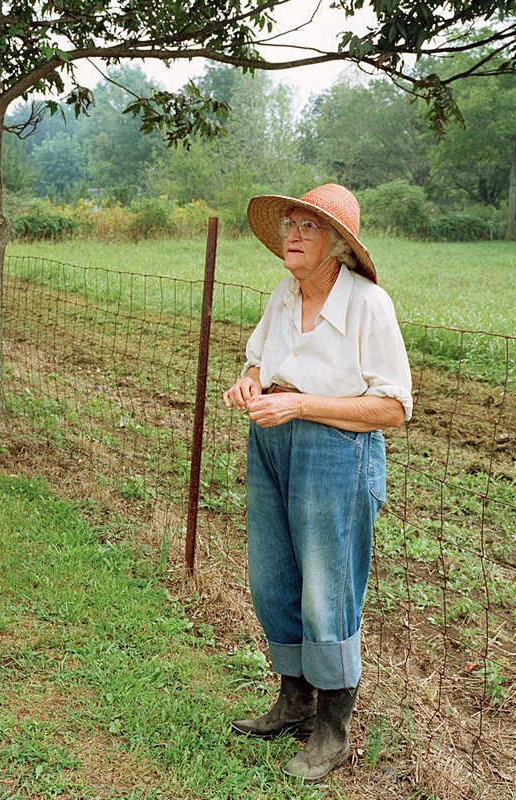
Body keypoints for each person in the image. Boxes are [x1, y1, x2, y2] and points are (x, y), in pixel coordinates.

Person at [222, 183, 412, 781]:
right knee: (272, 574)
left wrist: (300, 404)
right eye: (289, 225)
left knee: (326, 586)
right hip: (272, 440)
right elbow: (258, 358)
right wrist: (250, 383)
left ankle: (333, 726)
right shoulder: (284, 293)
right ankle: (294, 699)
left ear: (338, 244)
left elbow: (393, 407)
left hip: (336, 449)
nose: (293, 236)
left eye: (308, 226)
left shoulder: (367, 305)